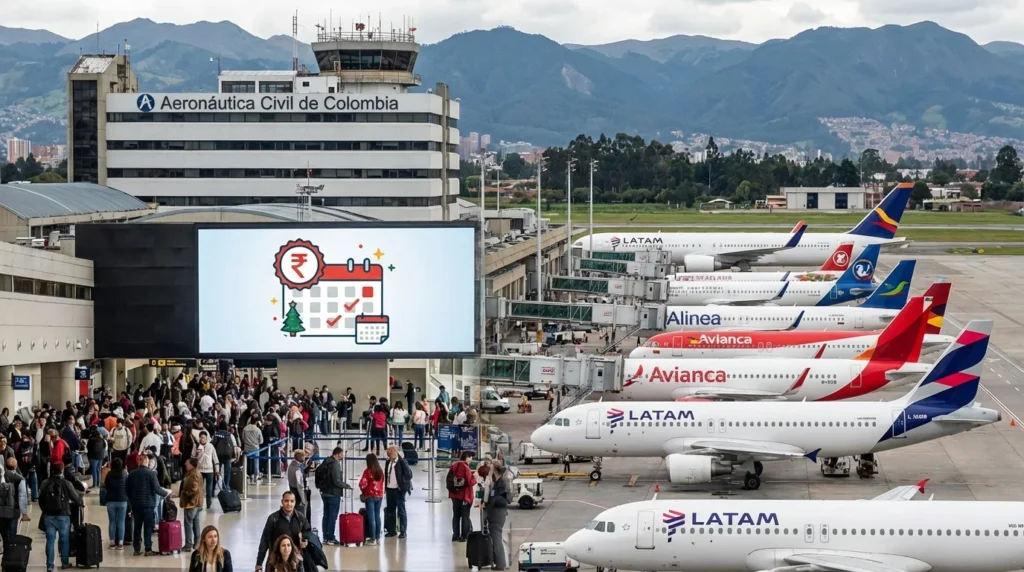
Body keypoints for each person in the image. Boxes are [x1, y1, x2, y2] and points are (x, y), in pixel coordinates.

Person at [39, 462, 82, 572]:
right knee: (64, 540)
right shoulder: (66, 483)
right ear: (62, 470)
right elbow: (76, 498)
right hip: (63, 515)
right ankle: (64, 562)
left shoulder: (45, 483)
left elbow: (40, 499)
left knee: (50, 540)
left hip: (49, 515)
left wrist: (45, 510)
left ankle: (49, 565)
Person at [126, 451, 171, 556]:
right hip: (148, 505)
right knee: (147, 528)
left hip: (136, 505)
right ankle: (148, 549)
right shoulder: (151, 474)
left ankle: (136, 549)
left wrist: (132, 500)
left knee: (137, 527)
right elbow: (156, 489)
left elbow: (127, 490)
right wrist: (166, 493)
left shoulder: (132, 474)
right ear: (146, 462)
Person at [255, 491, 310, 572]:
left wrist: (306, 542)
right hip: (275, 561)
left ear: (295, 502)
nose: (289, 504)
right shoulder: (273, 519)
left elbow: (309, 534)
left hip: (295, 562)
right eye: (286, 501)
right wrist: (259, 563)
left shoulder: (301, 519)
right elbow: (264, 540)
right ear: (282, 502)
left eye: (292, 501)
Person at [314, 447, 350, 546]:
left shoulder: (326, 461)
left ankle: (325, 536)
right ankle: (330, 537)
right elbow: (337, 481)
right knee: (332, 516)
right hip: (333, 494)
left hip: (324, 492)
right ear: (337, 454)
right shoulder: (335, 464)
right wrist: (347, 486)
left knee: (326, 515)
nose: (343, 457)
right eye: (342, 455)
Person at [482, 458, 513, 571]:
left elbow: (499, 499)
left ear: (494, 470)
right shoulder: (502, 481)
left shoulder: (500, 484)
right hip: (499, 513)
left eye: (491, 469)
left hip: (496, 514)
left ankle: (500, 564)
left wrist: (489, 494)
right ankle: (498, 562)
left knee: (496, 539)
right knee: (496, 538)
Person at [382, 445, 412, 539]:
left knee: (401, 510)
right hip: (389, 489)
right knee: (390, 511)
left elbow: (409, 475)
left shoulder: (402, 462)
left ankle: (403, 531)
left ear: (395, 453)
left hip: (399, 490)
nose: (390, 457)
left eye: (391, 455)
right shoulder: (388, 462)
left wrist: (403, 486)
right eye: (389, 456)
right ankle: (392, 530)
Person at [447, 450, 476, 542]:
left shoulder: (454, 466)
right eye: (471, 457)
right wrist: (475, 477)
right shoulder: (466, 468)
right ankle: (464, 536)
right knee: (465, 516)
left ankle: (455, 535)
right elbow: (469, 482)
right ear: (467, 457)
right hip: (464, 496)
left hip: (454, 495)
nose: (471, 459)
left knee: (456, 515)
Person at [0, 457, 28, 550]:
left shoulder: (2, 476)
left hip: (1, 509)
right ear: (16, 466)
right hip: (13, 510)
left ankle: (5, 548)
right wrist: (24, 513)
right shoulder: (20, 479)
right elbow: (22, 496)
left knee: (4, 532)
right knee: (12, 532)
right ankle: (10, 553)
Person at [358, 453, 385, 545]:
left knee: (371, 517)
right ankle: (377, 538)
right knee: (377, 516)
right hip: (379, 495)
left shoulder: (368, 471)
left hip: (370, 496)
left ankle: (372, 538)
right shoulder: (380, 471)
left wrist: (363, 492)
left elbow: (362, 484)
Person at [179, 458, 205, 552]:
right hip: (197, 502)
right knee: (195, 522)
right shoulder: (195, 472)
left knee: (188, 523)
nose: (185, 463)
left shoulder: (193, 474)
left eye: (187, 462)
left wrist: (185, 493)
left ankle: (188, 544)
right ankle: (197, 542)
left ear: (192, 465)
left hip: (191, 503)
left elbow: (194, 488)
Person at [104, 457, 129, 550]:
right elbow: (127, 485)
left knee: (112, 522)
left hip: (110, 501)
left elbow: (106, 485)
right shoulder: (124, 473)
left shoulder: (109, 474)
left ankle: (112, 542)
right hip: (122, 500)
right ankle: (121, 543)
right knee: (121, 522)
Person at [192, 431, 217, 510]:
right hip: (199, 470)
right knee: (199, 488)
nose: (202, 439)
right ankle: (200, 503)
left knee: (209, 489)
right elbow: (192, 457)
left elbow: (215, 458)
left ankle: (208, 504)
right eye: (201, 437)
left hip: (209, 470)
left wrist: (217, 470)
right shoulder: (196, 445)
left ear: (206, 438)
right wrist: (197, 453)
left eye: (204, 438)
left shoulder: (211, 446)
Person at [285, 450, 307, 519]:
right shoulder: (297, 469)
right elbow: (299, 486)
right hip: (297, 492)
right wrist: (303, 500)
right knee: (299, 511)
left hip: (292, 488)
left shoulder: (291, 465)